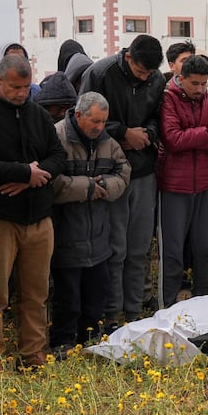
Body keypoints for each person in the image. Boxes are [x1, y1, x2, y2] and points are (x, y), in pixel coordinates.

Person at [0, 53, 66, 369]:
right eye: (15, 87)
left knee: (36, 294)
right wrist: (22, 173)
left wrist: (32, 179)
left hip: (39, 217)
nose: (21, 93)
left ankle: (33, 353)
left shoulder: (38, 114)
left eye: (26, 87)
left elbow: (57, 157)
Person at [78, 34, 165, 325]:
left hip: (144, 170)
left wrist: (147, 135)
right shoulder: (99, 73)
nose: (146, 77)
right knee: (115, 249)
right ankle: (112, 314)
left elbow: (158, 118)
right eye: (141, 71)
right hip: (109, 171)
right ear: (128, 56)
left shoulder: (157, 80)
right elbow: (84, 119)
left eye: (150, 73)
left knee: (140, 248)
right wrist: (123, 132)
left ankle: (135, 311)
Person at [48, 90, 129, 351]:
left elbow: (124, 172)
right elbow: (50, 181)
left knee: (96, 295)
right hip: (66, 236)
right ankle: (62, 343)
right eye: (95, 121)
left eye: (104, 121)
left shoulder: (107, 141)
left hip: (99, 238)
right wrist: (87, 188)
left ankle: (91, 341)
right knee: (67, 297)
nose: (100, 127)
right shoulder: (57, 136)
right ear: (79, 115)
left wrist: (104, 185)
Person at [158, 55, 208, 305]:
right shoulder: (168, 99)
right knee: (173, 252)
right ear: (181, 78)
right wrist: (207, 133)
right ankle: (167, 305)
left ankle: (204, 303)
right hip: (175, 185)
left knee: (207, 249)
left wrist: (196, 138)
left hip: (207, 183)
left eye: (204, 83)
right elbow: (173, 140)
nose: (199, 89)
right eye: (194, 83)